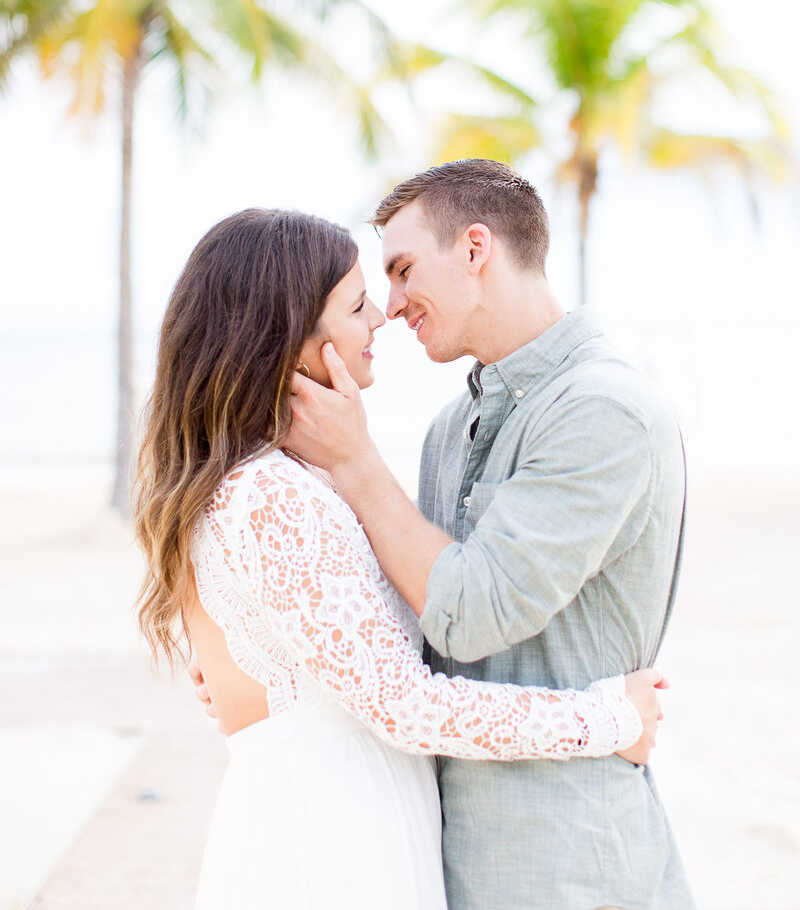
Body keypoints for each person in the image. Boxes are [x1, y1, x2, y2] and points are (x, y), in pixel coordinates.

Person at [134, 206, 665, 910]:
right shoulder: (268, 493)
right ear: (289, 339)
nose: (382, 317)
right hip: (330, 831)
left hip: (347, 810)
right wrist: (607, 720)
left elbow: (359, 659)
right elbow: (403, 703)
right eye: (357, 304)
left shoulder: (284, 478)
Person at [286, 160, 694, 910]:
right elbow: (411, 619)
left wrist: (353, 459)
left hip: (565, 854)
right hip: (451, 846)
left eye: (404, 270)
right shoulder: (451, 428)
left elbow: (473, 613)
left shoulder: (604, 409)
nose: (392, 304)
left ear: (476, 249)